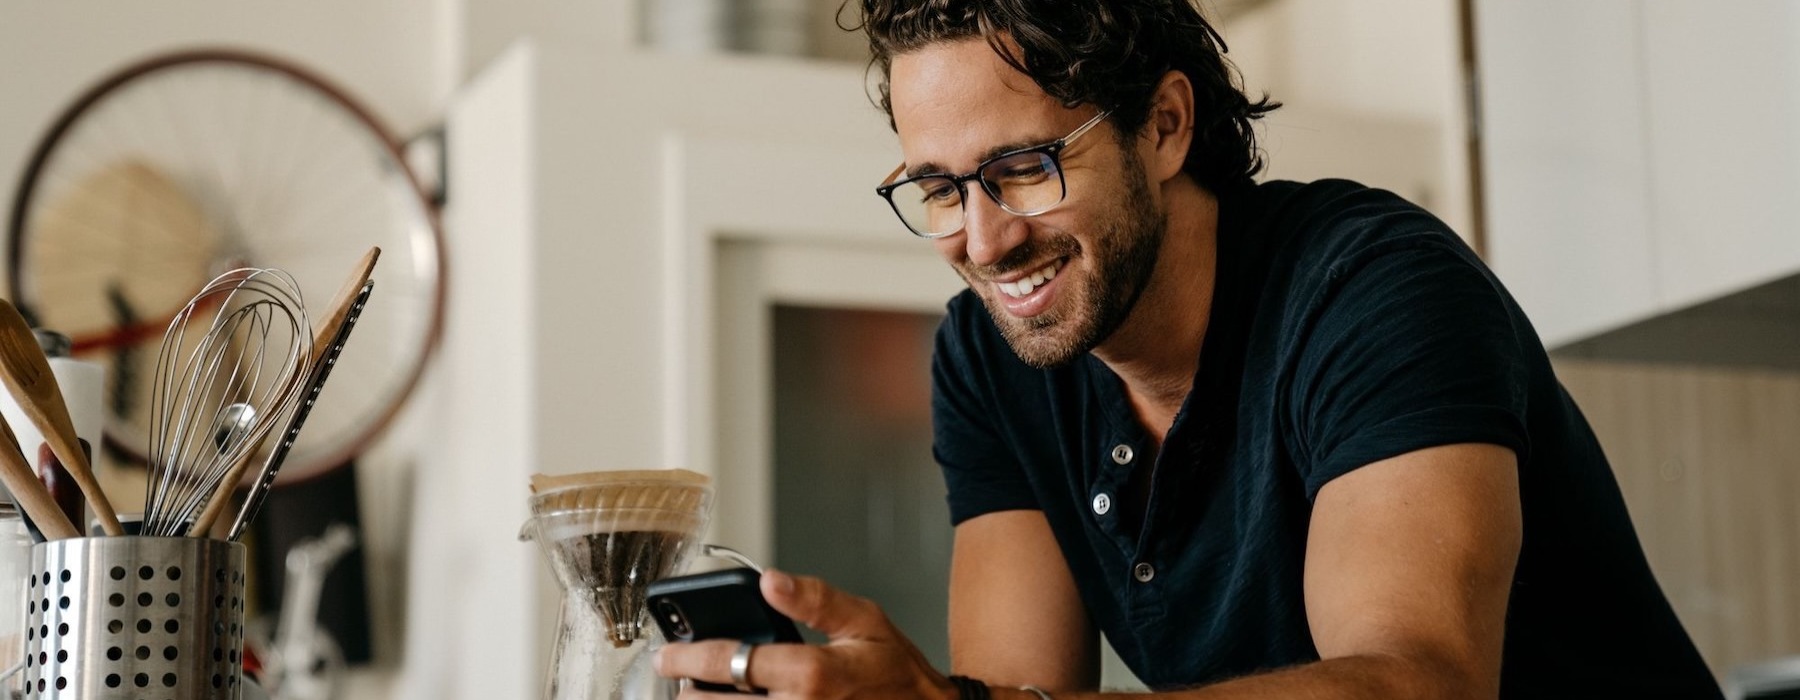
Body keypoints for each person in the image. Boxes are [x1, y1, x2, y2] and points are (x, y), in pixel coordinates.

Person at [658, 1, 1725, 697]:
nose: (982, 241)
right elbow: (1020, 692)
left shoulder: (1372, 287)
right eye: (937, 189)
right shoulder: (990, 364)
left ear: (1165, 126)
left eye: (1025, 167)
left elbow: (1417, 682)